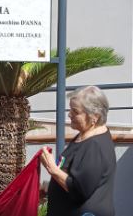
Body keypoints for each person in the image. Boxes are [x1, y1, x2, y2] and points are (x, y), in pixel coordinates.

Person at [40, 86, 116, 216]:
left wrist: (52, 169)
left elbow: (80, 190)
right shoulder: (85, 135)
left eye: (75, 111)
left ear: (94, 117)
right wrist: (49, 188)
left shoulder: (95, 146)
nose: (69, 114)